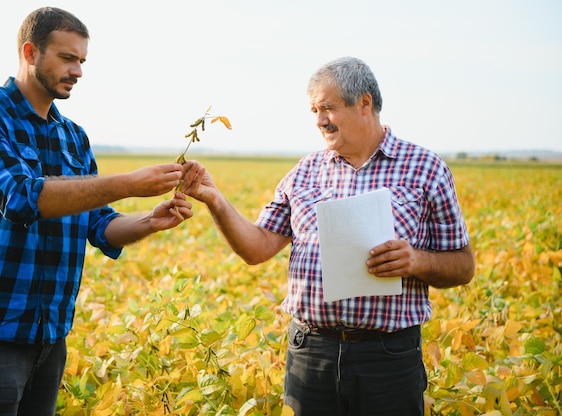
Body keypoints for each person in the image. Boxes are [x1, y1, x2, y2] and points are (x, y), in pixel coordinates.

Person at [181, 56, 475, 415]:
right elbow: (256, 248)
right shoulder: (304, 172)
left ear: (364, 104)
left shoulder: (426, 168)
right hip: (310, 351)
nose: (320, 120)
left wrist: (416, 260)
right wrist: (214, 199)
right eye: (314, 110)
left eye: (328, 108)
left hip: (389, 356)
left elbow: (463, 266)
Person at [0, 7, 193, 416]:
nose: (77, 71)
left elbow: (99, 224)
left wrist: (150, 221)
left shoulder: (73, 137)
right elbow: (19, 198)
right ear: (30, 52)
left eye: (82, 61)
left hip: (50, 334)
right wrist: (128, 184)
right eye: (67, 58)